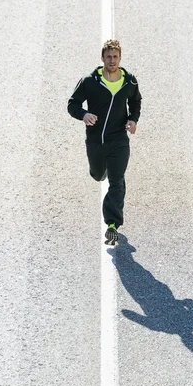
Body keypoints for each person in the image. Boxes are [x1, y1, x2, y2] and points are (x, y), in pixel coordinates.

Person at [68, 39, 142, 245]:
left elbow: (136, 102)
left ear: (120, 58)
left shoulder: (130, 82)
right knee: (98, 174)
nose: (112, 60)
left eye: (115, 57)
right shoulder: (89, 82)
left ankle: (112, 225)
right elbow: (72, 104)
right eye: (108, 57)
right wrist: (83, 115)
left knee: (117, 181)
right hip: (96, 141)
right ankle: (101, 171)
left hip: (119, 140)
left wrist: (133, 120)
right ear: (102, 58)